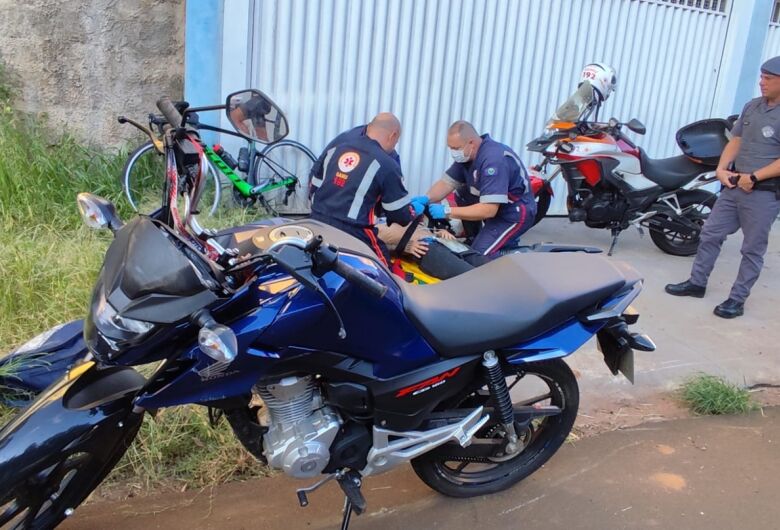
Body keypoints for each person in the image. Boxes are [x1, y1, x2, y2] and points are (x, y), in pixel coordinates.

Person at [665, 56, 780, 318]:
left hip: (763, 193)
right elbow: (735, 140)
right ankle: (697, 283)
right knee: (709, 234)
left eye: (769, 79)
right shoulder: (752, 107)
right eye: (761, 77)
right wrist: (721, 168)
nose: (762, 83)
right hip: (734, 186)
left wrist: (755, 177)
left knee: (752, 249)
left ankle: (737, 300)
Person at [413, 121, 537, 257]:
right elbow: (446, 183)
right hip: (495, 209)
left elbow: (489, 209)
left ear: (471, 143)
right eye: (450, 148)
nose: (454, 152)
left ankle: (523, 256)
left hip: (513, 213)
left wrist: (447, 211)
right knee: (462, 192)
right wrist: (426, 198)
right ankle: (475, 238)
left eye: (456, 148)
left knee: (478, 257)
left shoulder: (493, 160)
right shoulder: (467, 157)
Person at [309, 113, 418, 266]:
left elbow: (313, 187)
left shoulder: (335, 149)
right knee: (383, 273)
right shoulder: (387, 164)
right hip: (354, 232)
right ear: (393, 135)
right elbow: (400, 216)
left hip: (315, 222)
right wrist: (413, 209)